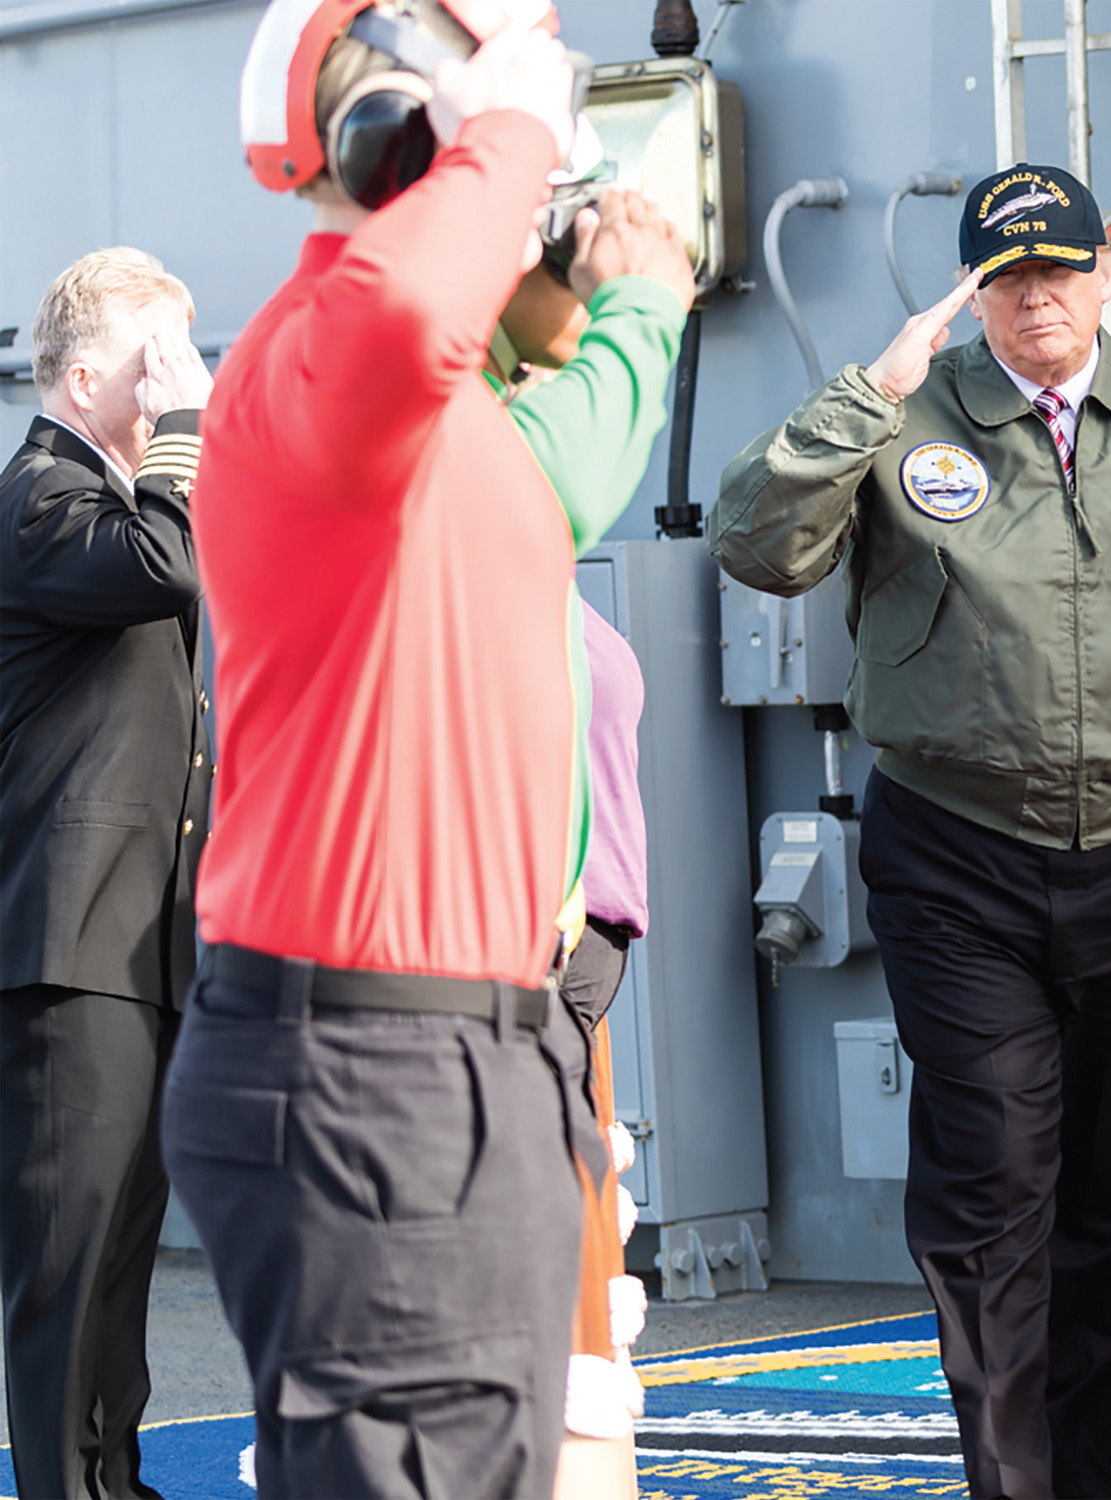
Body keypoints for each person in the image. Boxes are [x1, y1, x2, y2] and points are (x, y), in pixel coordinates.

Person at [709, 162, 1111, 1500]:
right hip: (955, 853)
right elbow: (756, 545)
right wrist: (861, 397)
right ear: (974, 291)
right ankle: (1014, 1482)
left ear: (1110, 276)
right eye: (1008, 273)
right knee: (995, 1177)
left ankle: (1077, 1469)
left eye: (1061, 267)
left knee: (1095, 1190)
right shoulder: (898, 417)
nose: (1037, 293)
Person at [164, 4, 606, 1494]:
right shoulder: (323, 357)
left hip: (448, 1066)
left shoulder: (422, 417)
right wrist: (519, 127)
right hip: (383, 1079)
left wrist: (622, 302)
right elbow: (415, 313)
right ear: (405, 131)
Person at [476, 187, 695, 1486]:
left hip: (581, 954)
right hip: (517, 953)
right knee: (544, 1288)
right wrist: (637, 306)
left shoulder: (531, 516)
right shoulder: (499, 474)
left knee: (581, 1281)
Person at [0, 247, 213, 1500]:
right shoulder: (39, 496)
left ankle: (109, 1483)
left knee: (121, 1249)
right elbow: (163, 570)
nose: (182, 383)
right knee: (69, 1264)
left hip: (133, 945)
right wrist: (183, 428)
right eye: (157, 359)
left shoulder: (115, 499)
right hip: (69, 948)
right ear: (86, 378)